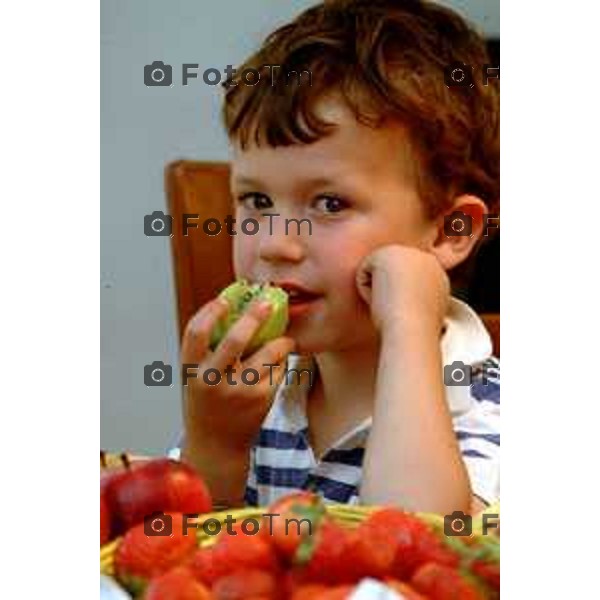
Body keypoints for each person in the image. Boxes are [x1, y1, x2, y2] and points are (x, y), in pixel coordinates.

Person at [175, 0, 500, 515]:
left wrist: (409, 330)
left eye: (330, 204)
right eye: (256, 201)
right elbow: (178, 564)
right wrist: (215, 446)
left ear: (449, 230)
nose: (275, 244)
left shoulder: (487, 412)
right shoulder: (252, 395)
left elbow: (413, 554)